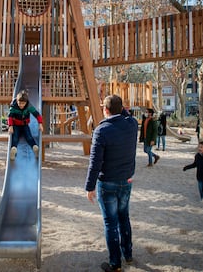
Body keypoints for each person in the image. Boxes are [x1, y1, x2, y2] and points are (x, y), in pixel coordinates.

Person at [85, 95, 138, 272]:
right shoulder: (132, 124)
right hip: (126, 180)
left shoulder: (102, 130)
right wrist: (120, 109)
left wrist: (89, 186)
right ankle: (128, 254)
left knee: (111, 223)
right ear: (122, 108)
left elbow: (95, 162)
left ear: (105, 110)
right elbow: (126, 114)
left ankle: (115, 263)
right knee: (124, 217)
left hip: (107, 182)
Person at [8, 90, 43, 160]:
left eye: (23, 103)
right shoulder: (13, 106)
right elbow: (10, 117)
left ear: (26, 102)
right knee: (15, 138)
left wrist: (40, 124)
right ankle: (13, 151)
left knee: (29, 137)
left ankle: (35, 148)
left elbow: (37, 114)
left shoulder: (28, 106)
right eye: (19, 103)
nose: (21, 105)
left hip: (24, 125)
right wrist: (10, 126)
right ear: (17, 101)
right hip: (16, 125)